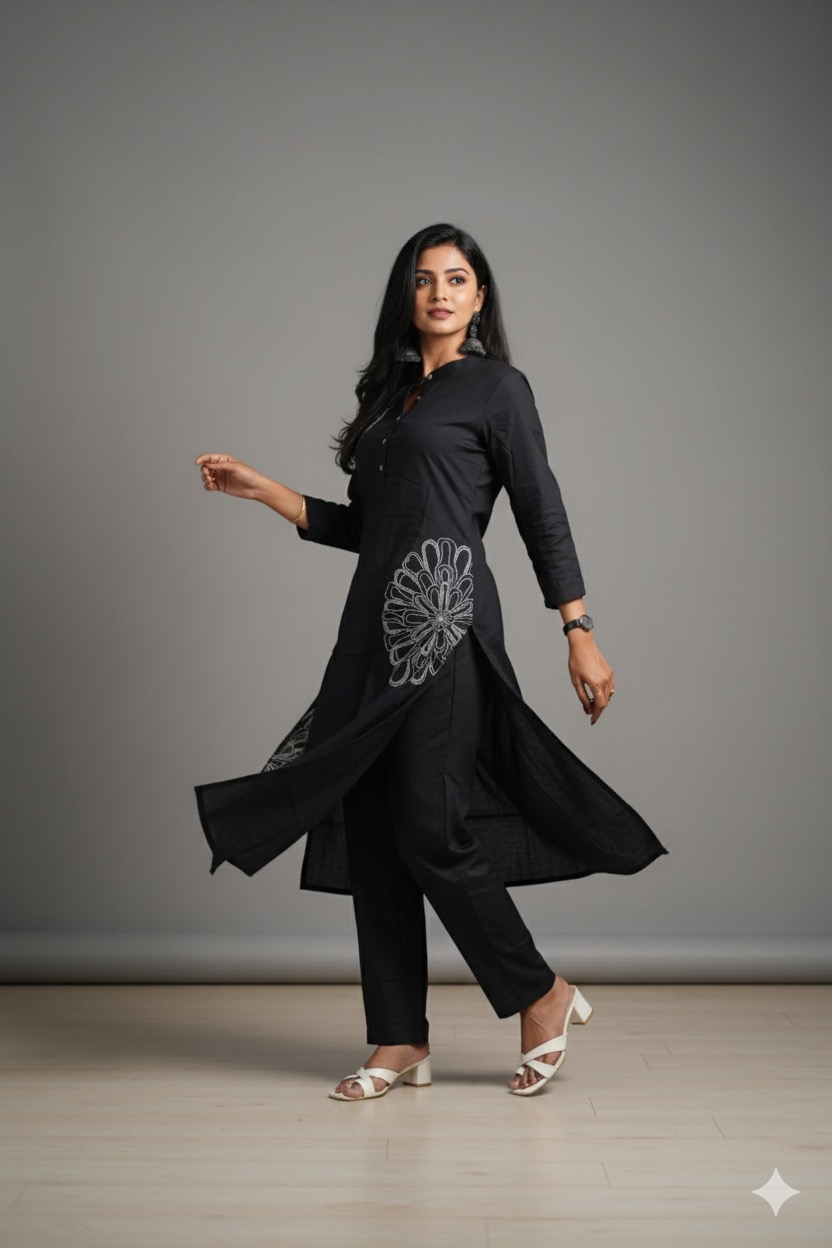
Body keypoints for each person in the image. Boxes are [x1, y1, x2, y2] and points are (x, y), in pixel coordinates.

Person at [194, 223, 668, 1099]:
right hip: (370, 637)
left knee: (428, 827)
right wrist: (264, 491)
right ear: (405, 297)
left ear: (480, 297)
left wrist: (579, 627)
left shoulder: (498, 389)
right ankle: (398, 1038)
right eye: (423, 279)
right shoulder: (391, 399)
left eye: (456, 279)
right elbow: (369, 528)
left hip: (446, 626)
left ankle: (539, 993)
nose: (439, 293)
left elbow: (540, 509)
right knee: (375, 831)